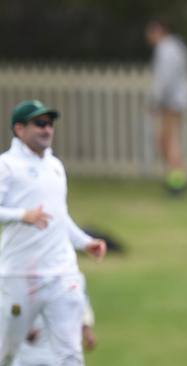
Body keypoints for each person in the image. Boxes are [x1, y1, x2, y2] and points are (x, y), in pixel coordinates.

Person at [0, 100, 106, 365]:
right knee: (8, 352)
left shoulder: (55, 166)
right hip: (20, 275)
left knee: (70, 354)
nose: (47, 129)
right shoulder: (7, 166)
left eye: (49, 124)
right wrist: (22, 215)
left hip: (61, 272)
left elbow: (59, 216)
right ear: (19, 128)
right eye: (39, 124)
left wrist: (85, 242)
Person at [145, 19, 187, 194]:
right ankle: (175, 178)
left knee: (168, 140)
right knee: (168, 139)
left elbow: (164, 79)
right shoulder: (178, 46)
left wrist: (155, 101)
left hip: (171, 100)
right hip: (179, 99)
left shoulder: (164, 49)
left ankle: (176, 181)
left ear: (157, 31)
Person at [13, 274, 97, 366]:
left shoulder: (76, 276)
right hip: (30, 352)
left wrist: (87, 331)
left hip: (64, 349)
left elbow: (82, 305)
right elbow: (13, 307)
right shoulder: (23, 275)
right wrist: (22, 328)